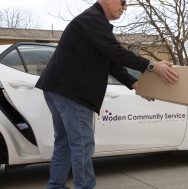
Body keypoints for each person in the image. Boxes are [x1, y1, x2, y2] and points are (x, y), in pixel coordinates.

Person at [35, 0, 179, 188]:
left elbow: (110, 60)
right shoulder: (92, 19)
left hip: (58, 88)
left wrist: (135, 84)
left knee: (65, 142)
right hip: (72, 93)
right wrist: (152, 66)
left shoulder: (94, 23)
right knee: (82, 145)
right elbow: (116, 52)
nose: (124, 7)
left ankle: (55, 186)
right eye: (122, 2)